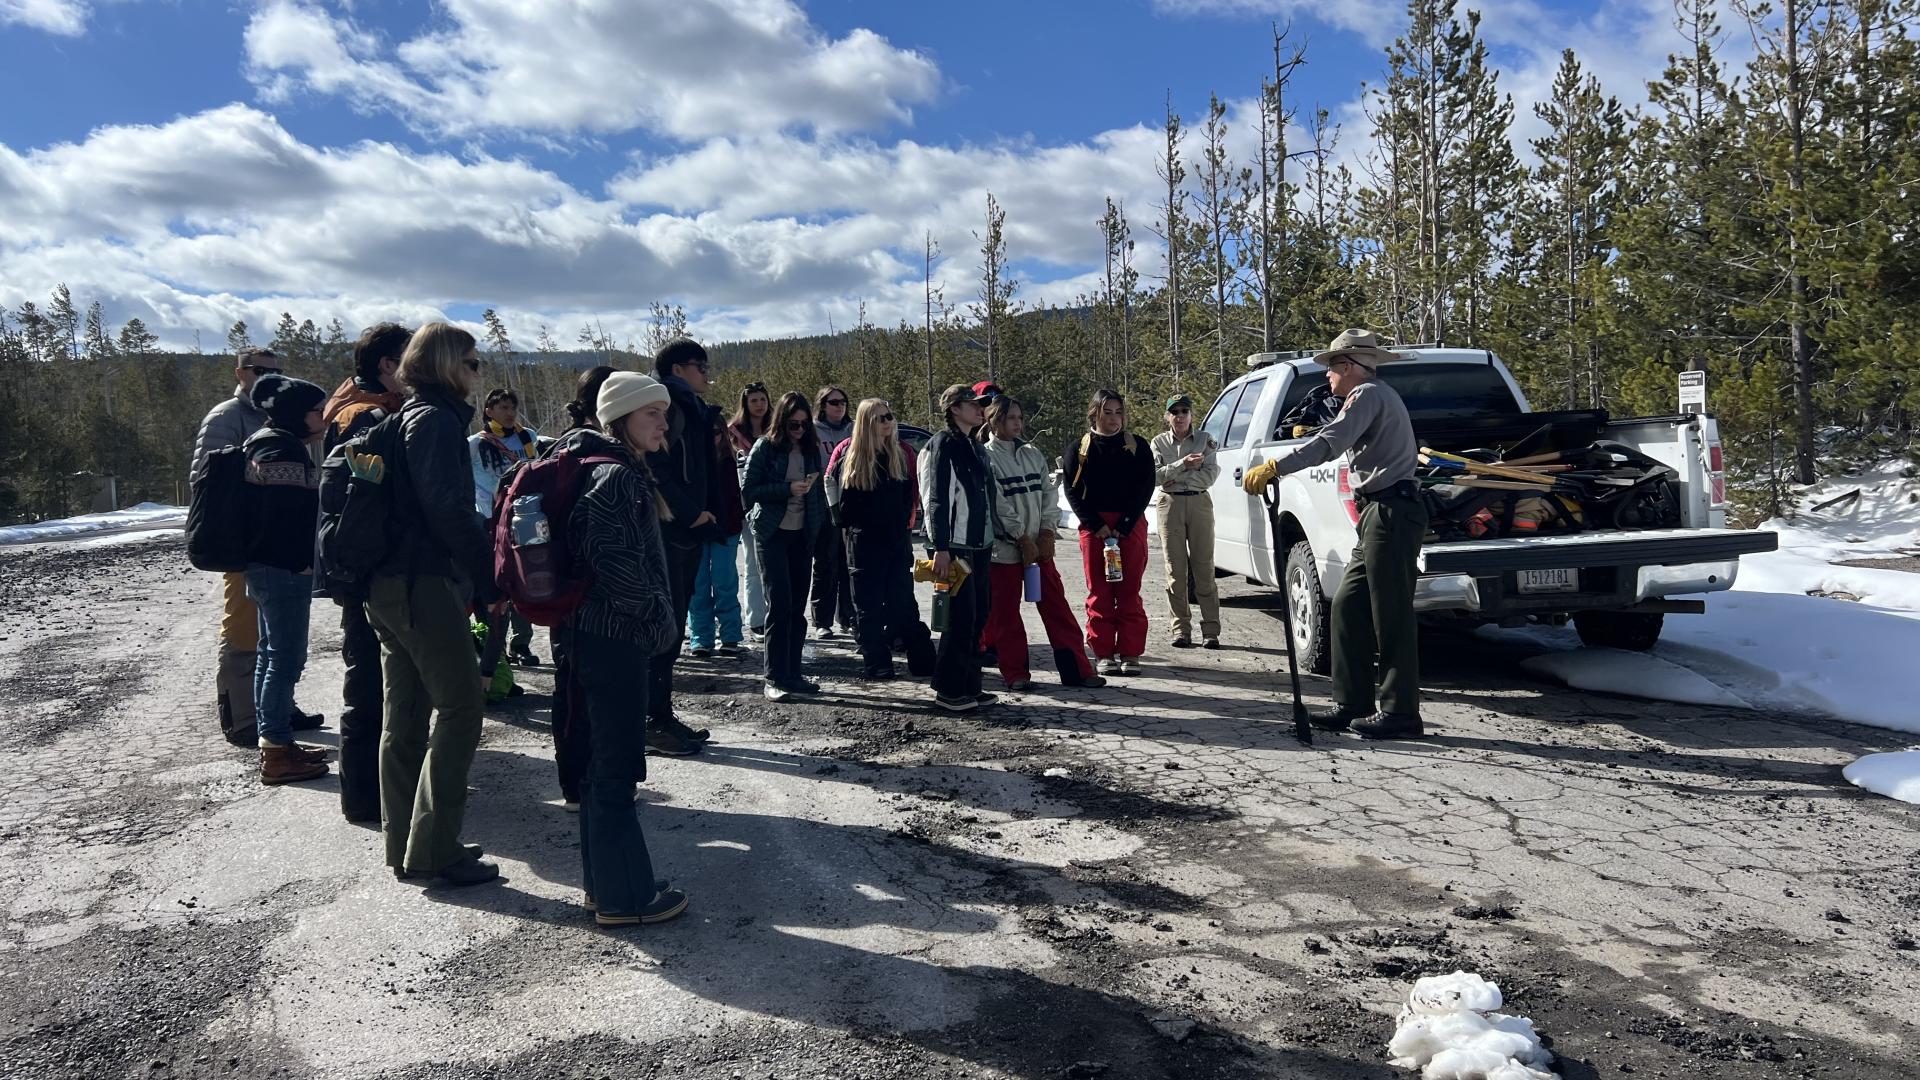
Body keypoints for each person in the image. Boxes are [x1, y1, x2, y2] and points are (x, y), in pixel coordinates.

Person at [361, 322, 500, 888]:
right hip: (420, 585)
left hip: (386, 586)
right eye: (471, 360)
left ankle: (408, 844)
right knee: (462, 708)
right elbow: (446, 511)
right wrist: (488, 577)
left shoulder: (406, 415)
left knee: (406, 716)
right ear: (445, 363)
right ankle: (436, 849)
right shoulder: (437, 420)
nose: (477, 370)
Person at [1243, 330, 1428, 740]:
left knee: (1391, 614)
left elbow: (1332, 441)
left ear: (1347, 367)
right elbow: (1336, 433)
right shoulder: (1373, 397)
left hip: (1392, 511)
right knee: (1347, 605)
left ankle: (1401, 712)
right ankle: (1352, 702)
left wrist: (1278, 466)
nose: (1327, 377)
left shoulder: (1367, 395)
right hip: (1379, 512)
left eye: (1330, 370)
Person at [553, 371, 689, 926]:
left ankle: (605, 885)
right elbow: (614, 562)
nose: (663, 422)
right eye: (650, 412)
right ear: (620, 418)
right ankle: (626, 900)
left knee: (598, 766)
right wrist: (658, 620)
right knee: (614, 768)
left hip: (592, 634)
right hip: (613, 638)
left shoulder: (610, 468)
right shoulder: (615, 477)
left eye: (664, 411)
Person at [192, 346, 320, 745]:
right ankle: (247, 719)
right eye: (259, 369)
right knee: (248, 635)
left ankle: (275, 713)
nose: (267, 374)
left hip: (269, 549)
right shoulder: (228, 417)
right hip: (260, 548)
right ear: (240, 371)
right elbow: (206, 480)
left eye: (275, 369)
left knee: (270, 644)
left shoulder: (283, 424)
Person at [321, 322, 411, 821]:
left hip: (366, 563)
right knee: (369, 681)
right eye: (410, 359)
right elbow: (366, 498)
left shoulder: (364, 407)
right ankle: (365, 799)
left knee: (375, 677)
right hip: (370, 567)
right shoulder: (362, 417)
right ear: (387, 365)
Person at [979, 395, 1104, 691]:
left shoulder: (1032, 453)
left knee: (1056, 606)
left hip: (1038, 547)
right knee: (1006, 614)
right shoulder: (986, 456)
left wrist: (1046, 532)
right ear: (995, 421)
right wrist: (1020, 537)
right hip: (1007, 550)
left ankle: (1077, 669)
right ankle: (1015, 673)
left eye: (1020, 418)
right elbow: (997, 503)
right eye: (1011, 418)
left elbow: (1049, 494)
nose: (1018, 424)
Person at [242, 374, 332, 785]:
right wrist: (302, 563)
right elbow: (284, 519)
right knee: (285, 657)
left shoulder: (268, 441)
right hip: (282, 569)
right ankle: (276, 752)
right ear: (297, 414)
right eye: (318, 410)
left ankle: (276, 742)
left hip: (265, 567)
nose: (324, 416)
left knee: (269, 653)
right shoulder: (281, 448)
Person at [644, 339, 722, 756]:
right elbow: (655, 464)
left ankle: (660, 715)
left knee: (673, 626)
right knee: (664, 626)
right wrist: (690, 512)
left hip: (687, 532)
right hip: (670, 531)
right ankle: (650, 721)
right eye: (700, 366)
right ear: (678, 369)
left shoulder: (687, 405)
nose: (707, 373)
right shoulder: (665, 404)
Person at [546, 365, 617, 812]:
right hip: (589, 591)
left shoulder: (558, 447)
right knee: (587, 689)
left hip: (561, 590)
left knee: (570, 686)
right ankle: (583, 785)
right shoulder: (591, 452)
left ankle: (577, 782)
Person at [833, 399, 935, 680]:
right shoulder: (851, 459)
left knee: (904, 603)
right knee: (868, 608)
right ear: (867, 423)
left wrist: (902, 527)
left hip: (895, 542)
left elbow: (907, 499)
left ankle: (923, 661)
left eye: (890, 416)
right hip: (863, 543)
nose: (888, 422)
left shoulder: (899, 456)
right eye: (880, 418)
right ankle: (877, 662)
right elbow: (843, 509)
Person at [1063, 389, 1156, 676]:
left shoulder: (1137, 446)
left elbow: (1146, 486)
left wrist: (1125, 523)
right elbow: (1072, 491)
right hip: (1096, 529)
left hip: (1130, 525)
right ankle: (1103, 652)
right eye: (1108, 412)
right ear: (1094, 414)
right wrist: (1096, 525)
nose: (1114, 419)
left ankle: (1130, 652)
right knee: (1100, 591)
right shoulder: (1079, 449)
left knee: (1129, 591)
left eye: (1118, 412)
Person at [742, 392, 826, 701]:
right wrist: (786, 489)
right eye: (793, 425)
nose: (799, 430)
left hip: (802, 535)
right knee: (778, 604)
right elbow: (748, 489)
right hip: (772, 533)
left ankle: (793, 673)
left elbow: (816, 496)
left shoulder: (810, 449)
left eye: (805, 425)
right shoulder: (765, 447)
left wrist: (818, 532)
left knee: (796, 608)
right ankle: (773, 677)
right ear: (782, 422)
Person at [920, 384, 996, 712]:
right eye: (973, 404)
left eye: (982, 404)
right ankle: (949, 690)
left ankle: (969, 685)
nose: (981, 409)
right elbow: (937, 497)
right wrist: (940, 546)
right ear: (954, 409)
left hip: (978, 544)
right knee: (959, 618)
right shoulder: (944, 443)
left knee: (978, 615)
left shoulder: (974, 445)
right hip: (954, 546)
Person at [469, 387, 542, 667]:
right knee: (494, 583)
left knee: (521, 580)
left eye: (512, 408)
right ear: (488, 411)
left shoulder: (528, 438)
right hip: (488, 520)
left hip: (521, 517)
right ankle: (493, 646)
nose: (509, 414)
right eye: (503, 408)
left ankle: (521, 643)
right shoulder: (474, 444)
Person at [1151, 393, 1223, 650]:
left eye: (1184, 411)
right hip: (1169, 505)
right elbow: (1157, 477)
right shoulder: (1158, 443)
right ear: (1167, 416)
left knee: (1204, 567)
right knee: (1175, 569)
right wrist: (1184, 464)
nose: (1180, 416)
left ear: (1192, 415)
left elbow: (1211, 473)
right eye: (1175, 412)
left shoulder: (1206, 440)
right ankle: (1181, 630)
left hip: (1199, 503)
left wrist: (1179, 477)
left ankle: (1211, 631)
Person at [809, 385, 857, 639]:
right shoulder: (813, 431)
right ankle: (822, 620)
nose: (839, 406)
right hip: (824, 505)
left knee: (849, 564)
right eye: (833, 402)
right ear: (822, 405)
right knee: (825, 564)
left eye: (843, 402)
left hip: (851, 504)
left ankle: (848, 617)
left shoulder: (854, 430)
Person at [728, 382, 773, 639]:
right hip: (745, 506)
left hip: (774, 504)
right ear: (745, 404)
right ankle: (756, 618)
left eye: (763, 400)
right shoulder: (732, 433)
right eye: (754, 400)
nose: (759, 404)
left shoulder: (776, 430)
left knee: (774, 564)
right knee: (753, 562)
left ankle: (775, 613)